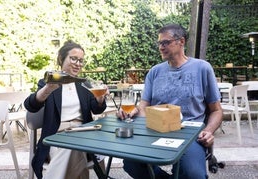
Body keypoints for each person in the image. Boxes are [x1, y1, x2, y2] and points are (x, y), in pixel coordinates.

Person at [117, 24, 223, 179]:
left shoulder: (202, 68)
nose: (161, 47)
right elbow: (144, 106)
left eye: (165, 43)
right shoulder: (154, 72)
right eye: (159, 43)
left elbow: (216, 110)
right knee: (131, 163)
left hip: (190, 135)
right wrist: (131, 112)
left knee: (193, 174)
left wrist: (208, 131)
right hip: (155, 131)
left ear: (181, 41)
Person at [24, 40, 108, 179]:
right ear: (62, 59)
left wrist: (100, 99)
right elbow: (30, 105)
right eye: (73, 58)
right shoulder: (49, 82)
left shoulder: (84, 84)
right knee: (74, 146)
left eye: (81, 60)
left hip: (84, 130)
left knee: (75, 144)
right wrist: (47, 90)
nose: (78, 63)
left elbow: (97, 109)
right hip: (55, 135)